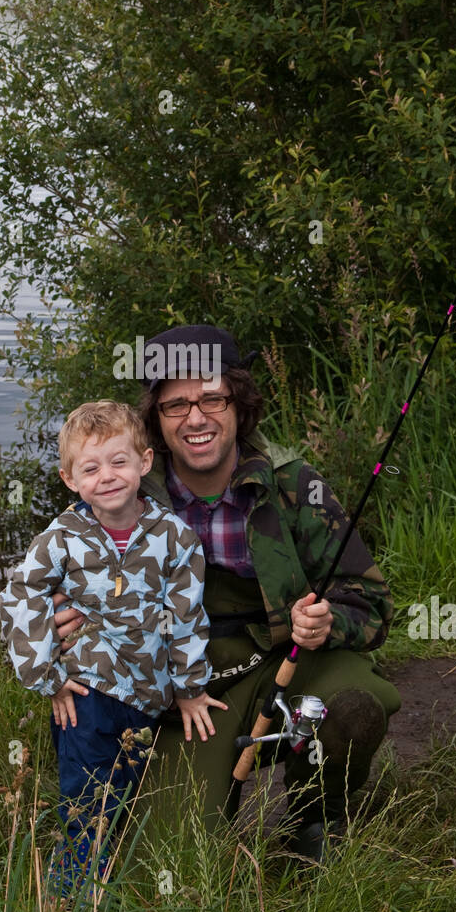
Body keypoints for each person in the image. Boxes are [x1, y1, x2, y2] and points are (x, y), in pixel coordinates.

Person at [52, 328, 401, 864]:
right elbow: (49, 591)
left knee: (350, 707)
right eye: (175, 405)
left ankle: (315, 820)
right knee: (173, 862)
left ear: (239, 402)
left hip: (284, 661)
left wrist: (329, 621)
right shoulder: (122, 488)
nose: (196, 419)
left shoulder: (294, 485)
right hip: (187, 687)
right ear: (155, 421)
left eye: (212, 398)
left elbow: (371, 602)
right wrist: (59, 628)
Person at [0, 399, 226, 891]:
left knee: (128, 791)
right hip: (87, 693)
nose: (107, 476)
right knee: (86, 793)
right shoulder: (60, 539)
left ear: (144, 462)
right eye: (91, 467)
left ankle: (119, 868)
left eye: (119, 461)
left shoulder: (174, 537)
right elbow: (21, 594)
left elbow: (187, 617)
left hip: (149, 694)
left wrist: (190, 688)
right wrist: (49, 678)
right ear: (69, 479)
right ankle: (78, 891)